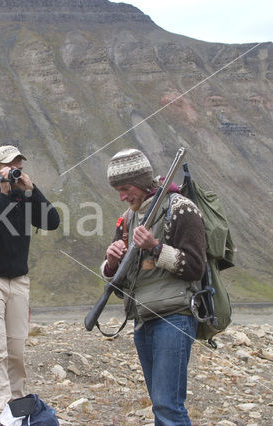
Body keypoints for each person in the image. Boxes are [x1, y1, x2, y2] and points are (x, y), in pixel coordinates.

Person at [101, 148, 206, 426]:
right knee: (161, 405)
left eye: (125, 188)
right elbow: (120, 279)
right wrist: (111, 262)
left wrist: (155, 247)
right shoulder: (128, 218)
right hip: (143, 320)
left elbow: (196, 267)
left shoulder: (181, 208)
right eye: (118, 190)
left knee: (168, 406)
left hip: (174, 319)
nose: (122, 196)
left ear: (142, 181)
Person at [0, 145, 60, 425]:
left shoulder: (24, 195)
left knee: (16, 349)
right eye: (9, 165)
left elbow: (52, 221)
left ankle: (16, 408)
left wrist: (32, 190)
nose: (15, 169)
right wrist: (5, 196)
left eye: (18, 164)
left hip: (19, 280)